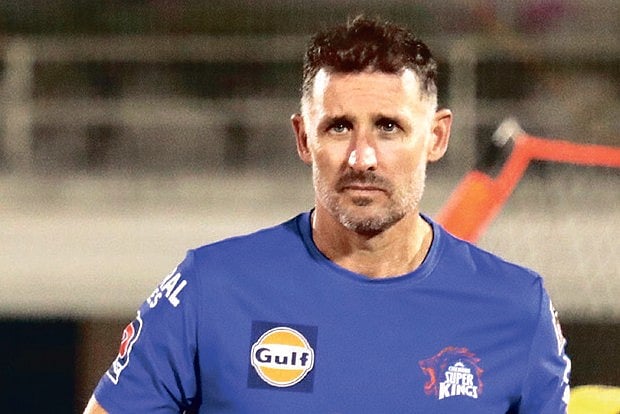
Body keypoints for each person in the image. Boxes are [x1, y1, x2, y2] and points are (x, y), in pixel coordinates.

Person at [84, 16, 570, 413]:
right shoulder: (209, 287)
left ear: (436, 137)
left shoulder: (516, 306)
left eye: (388, 127)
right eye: (339, 127)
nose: (362, 157)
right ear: (303, 138)